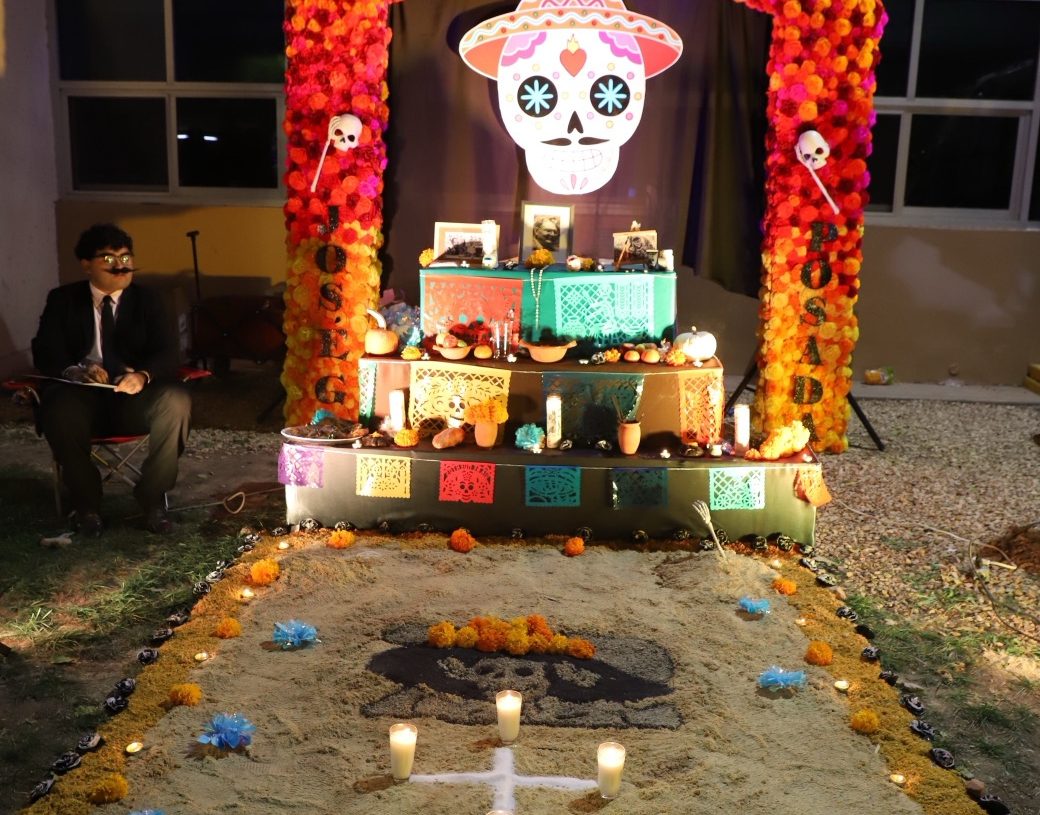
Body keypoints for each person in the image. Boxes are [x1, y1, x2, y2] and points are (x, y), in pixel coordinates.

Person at [31, 223, 191, 536]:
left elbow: (169, 353)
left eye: (126, 257)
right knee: (59, 409)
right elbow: (45, 350)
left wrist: (142, 375)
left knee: (176, 401)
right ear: (86, 265)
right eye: (108, 259)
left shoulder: (149, 300)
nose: (120, 266)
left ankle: (153, 498)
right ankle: (86, 505)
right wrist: (75, 371)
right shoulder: (63, 300)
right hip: (80, 399)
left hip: (133, 400)